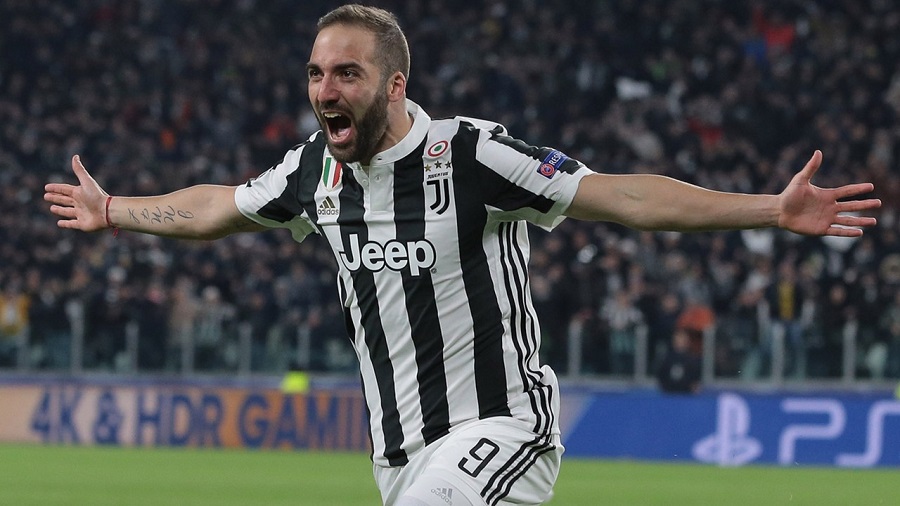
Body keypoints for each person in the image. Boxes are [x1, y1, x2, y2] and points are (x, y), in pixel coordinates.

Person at [43, 4, 882, 505]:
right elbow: (216, 208)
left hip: (501, 424)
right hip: (398, 454)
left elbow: (623, 197)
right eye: (316, 74)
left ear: (395, 85)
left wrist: (769, 209)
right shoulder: (311, 171)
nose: (325, 90)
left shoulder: (473, 154)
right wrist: (114, 210)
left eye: (346, 74)